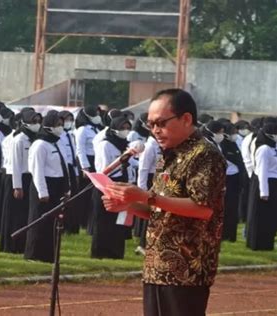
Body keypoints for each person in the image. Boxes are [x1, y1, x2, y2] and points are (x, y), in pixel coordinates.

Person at [102, 89, 226, 316]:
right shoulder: (167, 155)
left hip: (187, 268)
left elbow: (203, 208)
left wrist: (144, 196)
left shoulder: (205, 155)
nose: (155, 131)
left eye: (161, 123)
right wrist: (127, 203)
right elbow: (156, 208)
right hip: (157, 265)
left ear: (186, 119)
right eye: (151, 125)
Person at [24, 110, 70, 263]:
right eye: (57, 125)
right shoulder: (39, 145)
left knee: (53, 222)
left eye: (61, 125)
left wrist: (66, 188)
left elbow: (64, 166)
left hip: (57, 184)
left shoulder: (57, 142)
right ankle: (34, 253)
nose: (60, 127)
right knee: (39, 219)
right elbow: (37, 170)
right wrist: (42, 191)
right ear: (49, 126)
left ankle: (49, 254)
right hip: (44, 185)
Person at [0, 109, 41, 253]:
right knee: (15, 213)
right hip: (18, 176)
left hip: (31, 176)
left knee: (26, 213)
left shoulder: (36, 138)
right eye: (32, 121)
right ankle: (11, 246)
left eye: (37, 121)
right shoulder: (19, 139)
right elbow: (15, 164)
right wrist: (17, 186)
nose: (36, 124)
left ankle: (23, 243)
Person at [91, 116, 132, 259]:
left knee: (119, 220)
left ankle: (116, 253)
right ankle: (100, 252)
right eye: (122, 128)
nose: (125, 131)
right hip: (106, 184)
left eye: (127, 128)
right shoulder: (105, 145)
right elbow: (103, 169)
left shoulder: (126, 145)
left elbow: (131, 165)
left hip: (121, 183)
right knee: (104, 221)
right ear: (114, 129)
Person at [246, 122, 277, 250]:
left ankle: (268, 242)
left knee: (271, 215)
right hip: (266, 182)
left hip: (275, 182)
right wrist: (264, 192)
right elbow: (262, 171)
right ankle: (259, 244)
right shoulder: (264, 149)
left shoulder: (274, 147)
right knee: (262, 215)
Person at [74, 105, 101, 233]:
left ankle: (89, 220)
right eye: (95, 114)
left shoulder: (96, 129)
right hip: (87, 162)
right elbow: (80, 150)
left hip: (96, 161)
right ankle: (81, 221)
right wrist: (85, 167)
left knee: (93, 193)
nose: (97, 116)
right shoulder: (82, 130)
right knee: (84, 193)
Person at [220, 122, 246, 242]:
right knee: (225, 208)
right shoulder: (222, 145)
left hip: (235, 179)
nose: (235, 135)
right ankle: (224, 233)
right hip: (226, 179)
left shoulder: (234, 144)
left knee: (233, 208)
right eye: (233, 133)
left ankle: (231, 234)